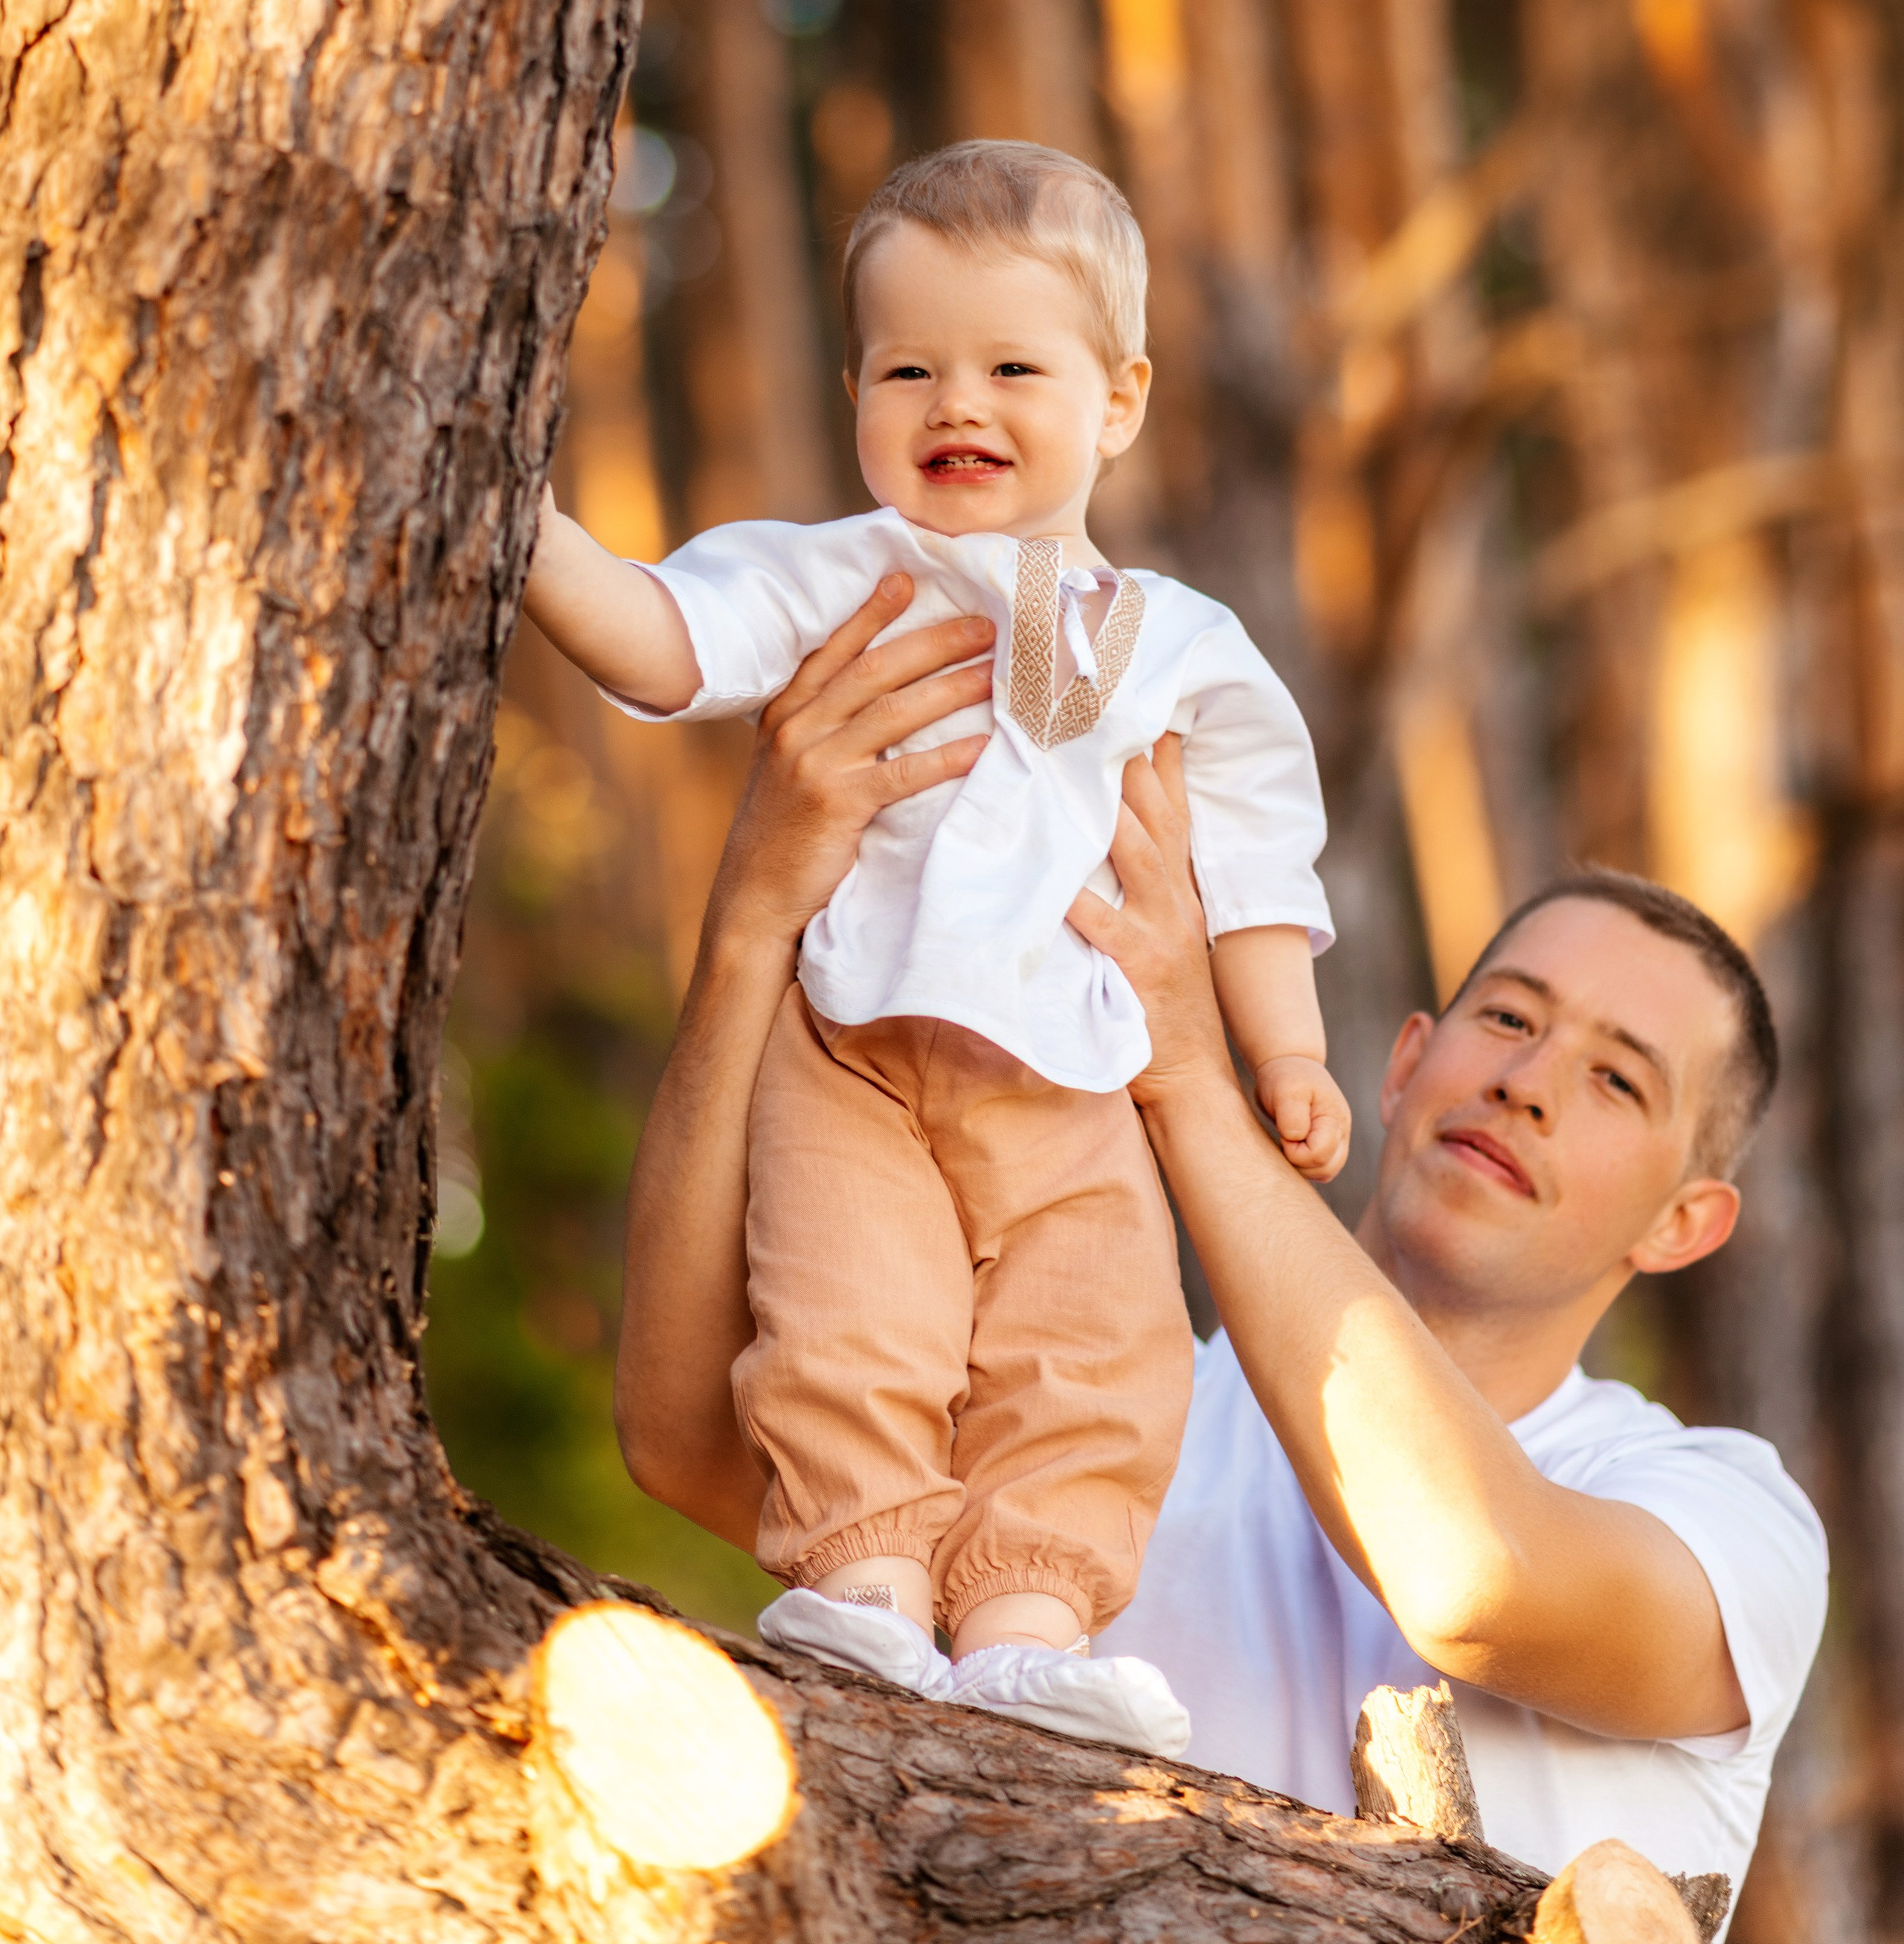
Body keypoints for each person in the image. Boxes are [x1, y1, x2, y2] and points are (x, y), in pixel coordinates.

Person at [617, 581, 1828, 1919]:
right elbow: (685, 1438)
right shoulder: (1082, 1416)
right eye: (1511, 1019)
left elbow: (1478, 1583)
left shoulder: (1727, 1515)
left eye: (1619, 1083)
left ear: (1685, 1224)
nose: (1531, 1083)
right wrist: (747, 933)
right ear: (1409, 1067)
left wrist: (1190, 1071)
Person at [524, 141, 1343, 1754]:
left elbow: (1252, 862)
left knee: (1095, 1346)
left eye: (1008, 367)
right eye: (908, 367)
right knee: (851, 1316)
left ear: (1115, 402)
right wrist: (527, 524)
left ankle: (1029, 1625)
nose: (954, 401)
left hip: (1075, 1085)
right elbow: (660, 640)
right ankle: (870, 1597)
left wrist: (1287, 1052)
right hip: (854, 1058)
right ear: (854, 395)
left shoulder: (1174, 640)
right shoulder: (837, 575)